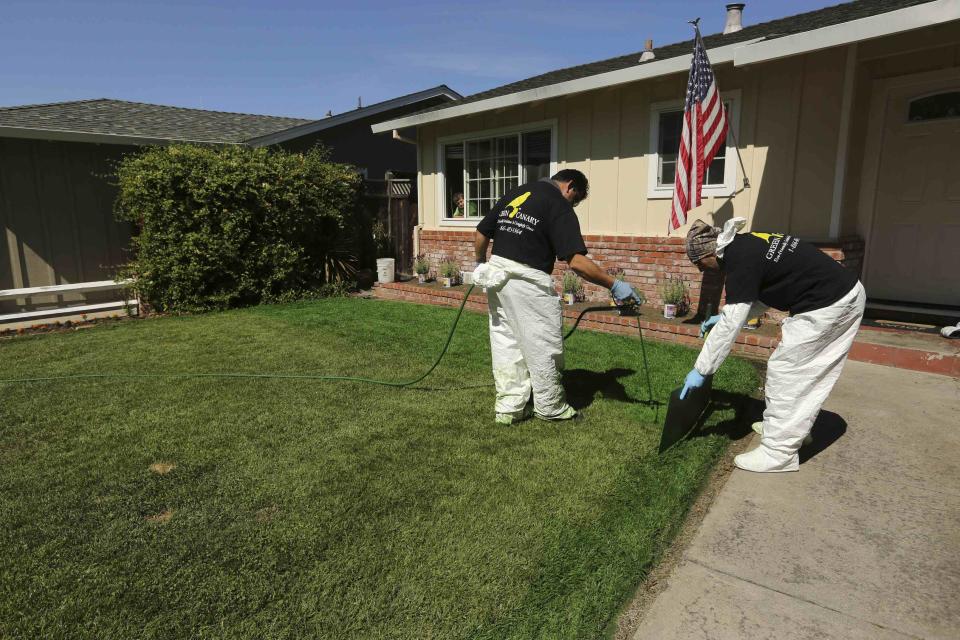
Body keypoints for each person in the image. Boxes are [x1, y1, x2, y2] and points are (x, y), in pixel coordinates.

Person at [679, 217, 866, 473]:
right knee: (795, 371)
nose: (704, 271)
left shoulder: (738, 260)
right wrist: (724, 315)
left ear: (709, 253)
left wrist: (701, 370)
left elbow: (731, 327)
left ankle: (779, 453)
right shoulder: (746, 245)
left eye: (700, 265)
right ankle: (790, 431)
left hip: (832, 303)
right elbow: (765, 290)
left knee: (787, 371)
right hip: (838, 294)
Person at [473, 169, 643, 425]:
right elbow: (575, 261)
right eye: (576, 199)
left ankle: (510, 408)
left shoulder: (518, 192)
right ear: (570, 186)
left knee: (507, 343)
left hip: (497, 276)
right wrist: (614, 284)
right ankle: (550, 406)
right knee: (542, 343)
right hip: (527, 280)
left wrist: (480, 264)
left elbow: (481, 233)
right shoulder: (558, 205)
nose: (573, 204)